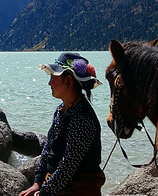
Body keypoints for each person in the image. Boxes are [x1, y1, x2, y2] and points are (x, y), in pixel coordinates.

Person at [19, 52, 105, 196]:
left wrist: (45, 192)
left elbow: (68, 166)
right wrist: (38, 183)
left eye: (53, 77)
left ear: (68, 81)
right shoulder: (61, 110)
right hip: (57, 185)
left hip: (79, 189)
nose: (49, 83)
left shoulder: (82, 118)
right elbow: (48, 148)